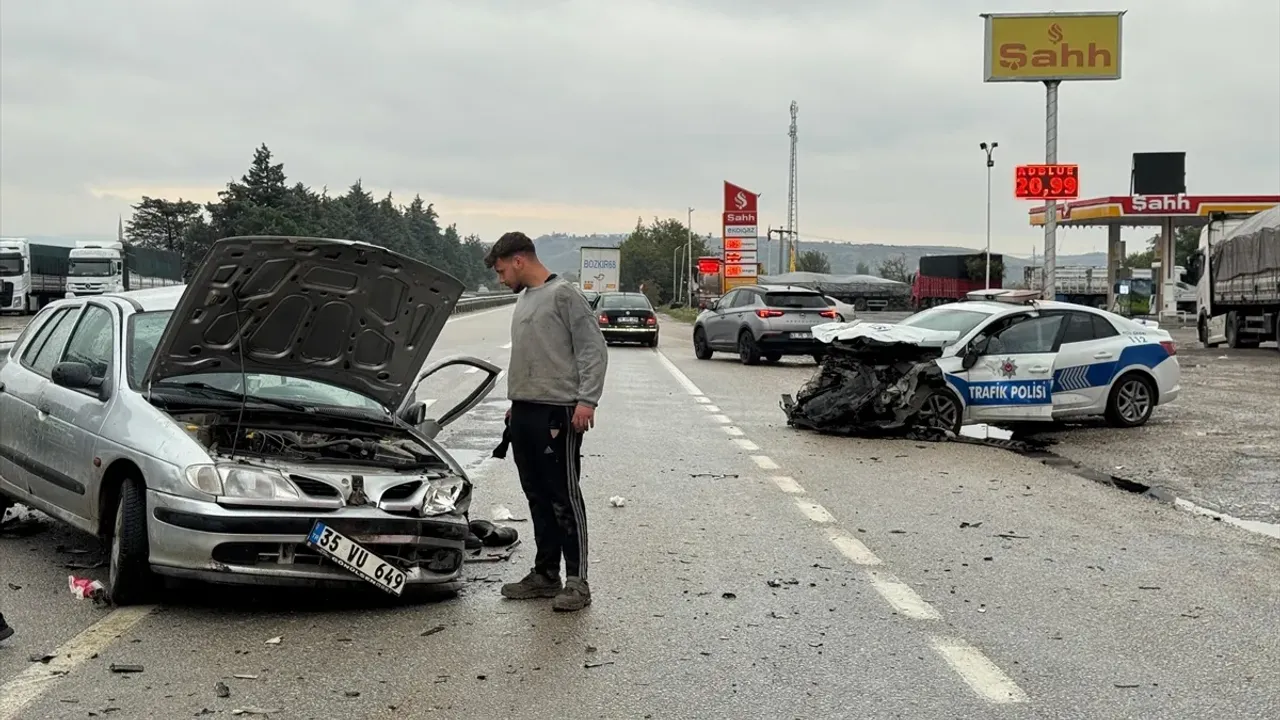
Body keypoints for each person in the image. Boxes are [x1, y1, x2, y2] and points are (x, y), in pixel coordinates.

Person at [484, 231, 608, 612]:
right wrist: (516, 404)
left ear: (519, 260)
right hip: (525, 412)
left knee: (564, 497)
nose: (500, 279)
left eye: (502, 271)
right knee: (537, 497)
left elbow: (593, 350)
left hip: (558, 413)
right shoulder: (524, 299)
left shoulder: (564, 295)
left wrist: (587, 401)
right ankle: (545, 574)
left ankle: (578, 582)